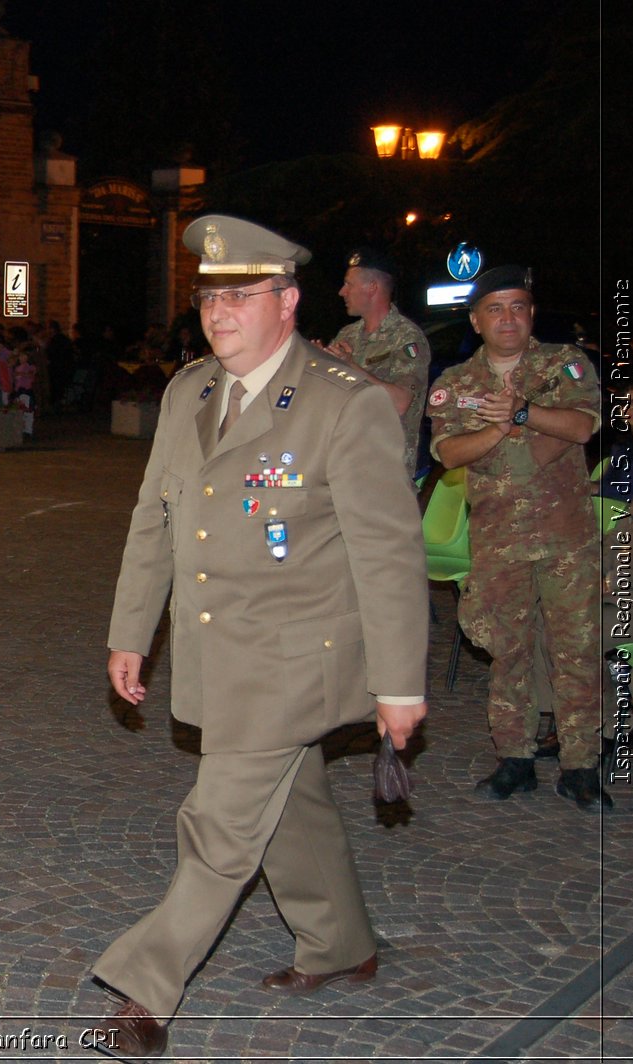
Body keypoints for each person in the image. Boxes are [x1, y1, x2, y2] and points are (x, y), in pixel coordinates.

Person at [88, 215, 428, 1058]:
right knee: (290, 801)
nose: (220, 312)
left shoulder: (342, 406)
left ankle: (145, 988)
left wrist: (399, 684)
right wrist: (132, 629)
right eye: (210, 296)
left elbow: (387, 554)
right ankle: (343, 943)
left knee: (222, 822)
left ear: (288, 301)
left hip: (296, 660)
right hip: (217, 651)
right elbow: (154, 517)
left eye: (241, 295)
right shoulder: (188, 391)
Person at [427, 265, 608, 810]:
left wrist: (525, 410)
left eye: (518, 307)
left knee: (577, 651)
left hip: (566, 539)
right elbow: (448, 454)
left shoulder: (563, 365)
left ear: (531, 314)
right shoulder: (455, 384)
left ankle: (581, 765)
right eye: (495, 309)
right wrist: (497, 427)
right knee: (508, 652)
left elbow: (583, 425)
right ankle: (515, 759)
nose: (508, 318)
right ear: (476, 320)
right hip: (499, 541)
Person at [322, 247, 431, 481]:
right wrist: (318, 364)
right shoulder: (347, 335)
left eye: (349, 284)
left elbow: (400, 402)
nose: (342, 292)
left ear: (372, 287)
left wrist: (351, 367)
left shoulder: (407, 337)